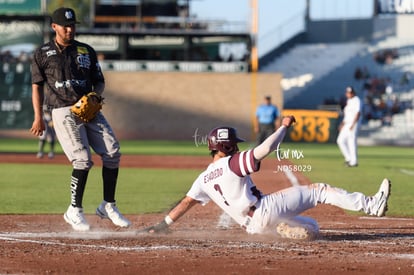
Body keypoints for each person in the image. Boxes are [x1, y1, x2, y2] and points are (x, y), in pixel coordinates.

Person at [145, 115, 391, 240]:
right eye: (234, 145)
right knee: (319, 190)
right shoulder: (232, 163)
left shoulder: (203, 179)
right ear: (227, 147)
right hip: (264, 209)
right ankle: (372, 205)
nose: (238, 148)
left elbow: (186, 203)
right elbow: (265, 149)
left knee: (313, 228)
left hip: (252, 228)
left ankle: (283, 230)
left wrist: (163, 225)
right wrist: (284, 126)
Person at [30, 7, 130, 231]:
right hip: (62, 109)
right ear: (53, 26)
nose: (69, 29)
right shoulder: (42, 53)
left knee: (113, 152)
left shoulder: (86, 50)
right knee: (83, 160)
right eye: (65, 25)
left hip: (88, 107)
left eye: (73, 25)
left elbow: (99, 81)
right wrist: (39, 117)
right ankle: (74, 210)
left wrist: (95, 95)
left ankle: (108, 205)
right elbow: (36, 87)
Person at [337, 86, 362, 167]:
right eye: (347, 92)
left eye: (350, 92)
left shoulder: (357, 100)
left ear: (353, 93)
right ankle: (348, 158)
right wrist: (342, 124)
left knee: (351, 142)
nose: (348, 94)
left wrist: (353, 124)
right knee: (340, 140)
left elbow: (358, 113)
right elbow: (347, 116)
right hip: (347, 123)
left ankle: (354, 161)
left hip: (353, 123)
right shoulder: (349, 101)